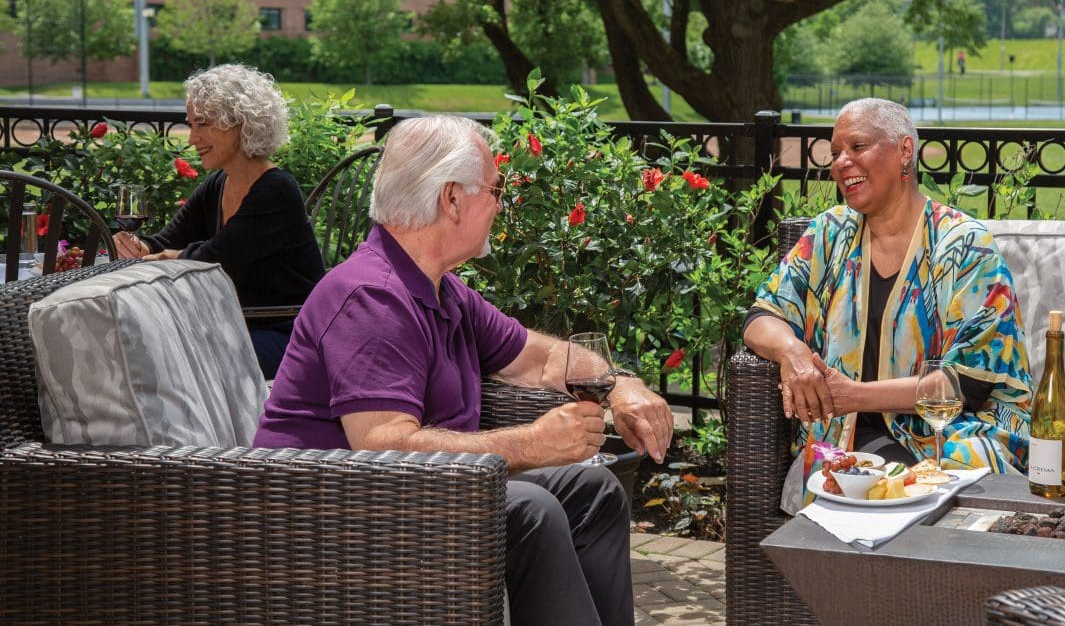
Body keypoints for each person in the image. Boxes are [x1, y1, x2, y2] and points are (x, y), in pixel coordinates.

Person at [253, 114, 673, 625]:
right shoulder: (370, 296)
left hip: (415, 495)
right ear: (452, 199)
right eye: (495, 189)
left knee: (593, 489)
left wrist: (621, 384)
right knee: (527, 509)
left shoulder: (441, 289)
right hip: (329, 520)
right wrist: (531, 444)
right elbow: (384, 444)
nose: (500, 204)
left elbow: (540, 359)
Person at [743, 98, 1032, 515]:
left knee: (901, 498)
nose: (842, 162)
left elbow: (965, 386)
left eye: (857, 147)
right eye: (835, 153)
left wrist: (852, 396)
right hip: (849, 432)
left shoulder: (964, 245)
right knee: (861, 488)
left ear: (904, 152)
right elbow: (761, 316)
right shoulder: (830, 234)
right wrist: (792, 352)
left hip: (953, 429)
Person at [113, 64, 324, 379]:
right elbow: (165, 243)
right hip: (239, 325)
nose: (192, 138)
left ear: (240, 123)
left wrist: (165, 256)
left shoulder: (275, 190)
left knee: (168, 355)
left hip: (291, 332)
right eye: (191, 124)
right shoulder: (218, 184)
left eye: (202, 124)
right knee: (137, 342)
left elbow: (212, 261)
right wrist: (137, 246)